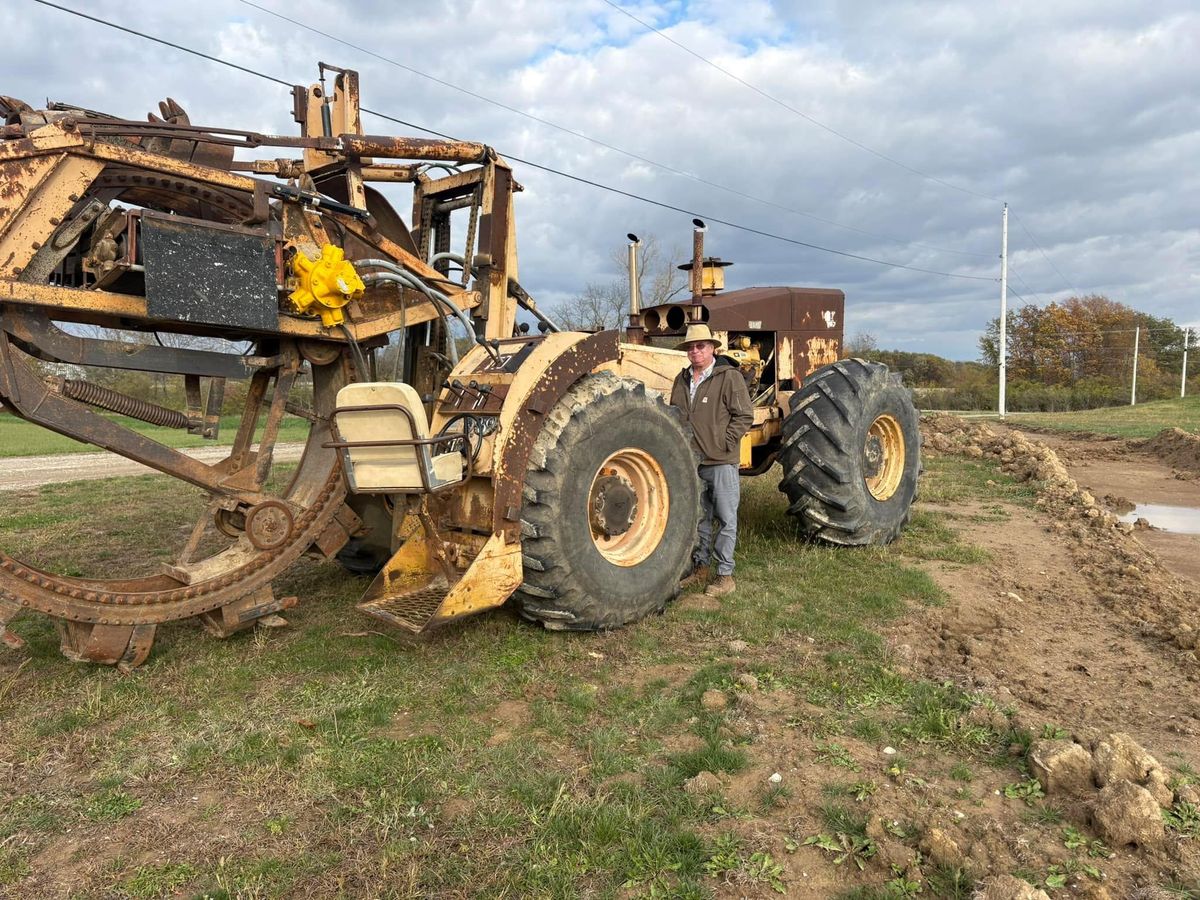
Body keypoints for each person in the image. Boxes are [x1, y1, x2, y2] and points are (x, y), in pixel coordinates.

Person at [669, 323, 753, 597]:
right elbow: (674, 415)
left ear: (712, 348)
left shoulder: (728, 377)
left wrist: (725, 443)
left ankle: (725, 575)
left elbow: (744, 416)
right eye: (691, 347)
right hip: (692, 463)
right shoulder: (681, 380)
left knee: (726, 519)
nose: (695, 351)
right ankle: (700, 568)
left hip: (720, 461)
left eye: (700, 346)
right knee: (700, 519)